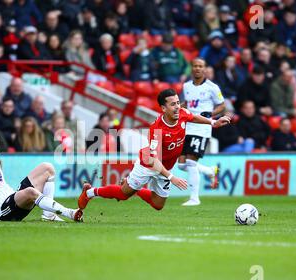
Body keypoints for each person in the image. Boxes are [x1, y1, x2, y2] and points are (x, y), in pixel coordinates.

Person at [77, 89, 230, 212]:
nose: (177, 107)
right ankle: (90, 192)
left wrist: (213, 122)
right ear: (163, 108)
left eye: (178, 102)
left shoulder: (182, 113)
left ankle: (135, 188)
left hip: (166, 167)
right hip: (148, 164)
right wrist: (172, 177)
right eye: (172, 104)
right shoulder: (157, 129)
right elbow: (153, 160)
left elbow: (193, 117)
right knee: (123, 195)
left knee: (158, 205)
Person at [177, 58, 227, 206]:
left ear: (205, 69)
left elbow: (222, 105)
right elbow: (187, 103)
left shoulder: (212, 87)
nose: (198, 68)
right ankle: (210, 171)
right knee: (181, 165)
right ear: (192, 69)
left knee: (191, 162)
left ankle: (194, 198)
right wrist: (180, 108)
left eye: (200, 66)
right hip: (188, 127)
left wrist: (210, 114)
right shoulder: (186, 86)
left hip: (202, 128)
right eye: (195, 66)